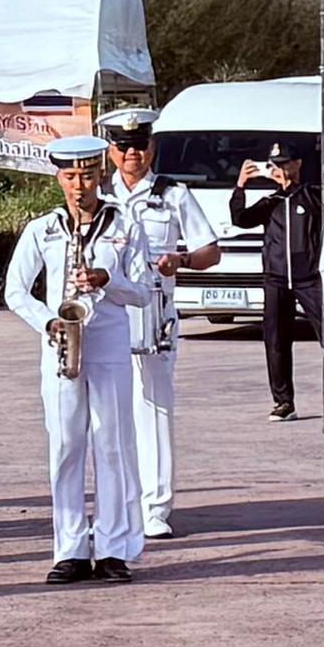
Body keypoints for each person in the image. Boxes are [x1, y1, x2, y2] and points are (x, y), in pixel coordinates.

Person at [5, 135, 149, 586]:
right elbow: (15, 290)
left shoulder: (124, 223)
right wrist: (48, 321)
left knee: (113, 445)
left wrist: (109, 279)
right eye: (70, 177)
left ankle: (113, 548)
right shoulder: (43, 228)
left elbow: (144, 293)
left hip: (108, 346)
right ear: (59, 179)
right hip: (62, 347)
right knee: (65, 447)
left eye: (87, 175)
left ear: (100, 174)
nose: (79, 185)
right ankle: (69, 549)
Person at [99, 106, 221, 543]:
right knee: (108, 411)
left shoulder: (173, 194)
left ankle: (154, 506)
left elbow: (210, 251)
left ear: (151, 147)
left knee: (153, 408)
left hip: (154, 314)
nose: (132, 153)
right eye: (123, 146)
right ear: (111, 151)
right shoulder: (98, 195)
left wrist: (181, 260)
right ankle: (118, 501)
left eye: (139, 145)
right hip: (107, 314)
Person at [230, 133, 324, 421]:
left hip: (309, 277)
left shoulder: (312, 195)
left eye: (286, 163)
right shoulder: (270, 202)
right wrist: (241, 185)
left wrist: (292, 185)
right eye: (276, 164)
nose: (281, 169)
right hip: (276, 279)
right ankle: (284, 401)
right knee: (276, 341)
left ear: (297, 164)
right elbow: (241, 219)